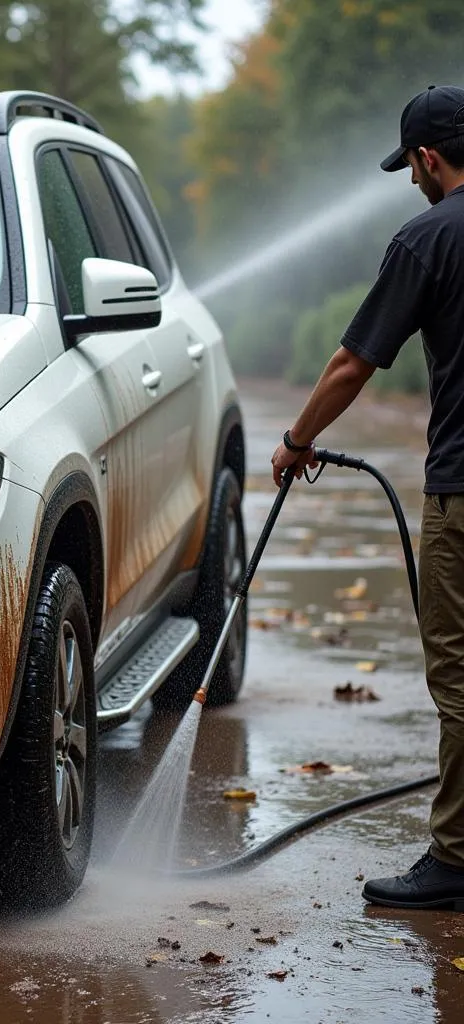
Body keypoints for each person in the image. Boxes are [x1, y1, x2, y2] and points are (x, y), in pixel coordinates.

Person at [271, 84, 464, 911]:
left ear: (427, 157)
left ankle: (456, 859)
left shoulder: (426, 238)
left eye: (410, 167)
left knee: (458, 676)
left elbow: (353, 364)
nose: (409, 183)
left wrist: (294, 440)